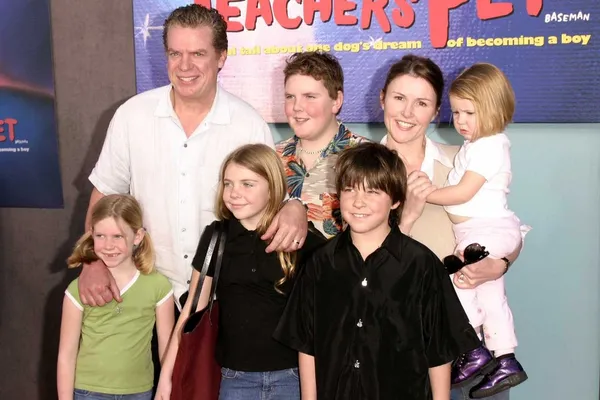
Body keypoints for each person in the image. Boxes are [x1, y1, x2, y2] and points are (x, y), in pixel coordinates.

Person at [80, 3, 308, 311]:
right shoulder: (131, 116)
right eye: (176, 53)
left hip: (224, 299)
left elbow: (272, 203)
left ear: (221, 58)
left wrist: (295, 205)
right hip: (143, 290)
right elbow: (104, 195)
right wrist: (92, 261)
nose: (185, 66)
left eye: (198, 54)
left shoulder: (248, 123)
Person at [274, 142, 480, 400]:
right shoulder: (319, 264)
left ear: (396, 200)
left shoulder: (422, 264)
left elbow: (439, 350)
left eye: (372, 192)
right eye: (349, 190)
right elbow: (307, 344)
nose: (359, 202)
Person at [379, 54, 525, 400]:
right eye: (399, 98)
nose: (407, 113)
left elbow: (504, 228)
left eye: (422, 103)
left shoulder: (463, 162)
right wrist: (409, 216)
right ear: (382, 98)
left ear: (436, 111)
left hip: (466, 344)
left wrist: (500, 264)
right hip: (393, 341)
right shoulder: (360, 169)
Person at [155, 144, 326, 400]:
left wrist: (297, 205)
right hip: (235, 378)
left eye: (248, 184)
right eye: (228, 183)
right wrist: (166, 379)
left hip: (293, 377)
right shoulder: (217, 237)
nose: (235, 193)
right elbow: (191, 310)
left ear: (272, 188)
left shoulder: (302, 239)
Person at [426, 63, 528, 398]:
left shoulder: (489, 145)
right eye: (456, 112)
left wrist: (426, 193)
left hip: (487, 230)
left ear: (494, 108)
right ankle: (505, 358)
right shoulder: (475, 147)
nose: (460, 121)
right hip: (484, 230)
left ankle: (473, 349)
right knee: (490, 295)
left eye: (469, 112)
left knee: (458, 278)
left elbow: (463, 192)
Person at [57, 195, 174, 400]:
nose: (108, 245)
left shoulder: (159, 287)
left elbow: (168, 348)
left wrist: (167, 387)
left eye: (118, 236)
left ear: (137, 236)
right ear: (91, 234)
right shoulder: (77, 290)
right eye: (100, 235)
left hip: (139, 392)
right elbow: (66, 355)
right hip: (89, 392)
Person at [276, 51, 368, 238]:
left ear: (337, 101)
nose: (297, 107)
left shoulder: (367, 158)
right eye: (290, 97)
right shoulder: (271, 158)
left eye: (310, 96)